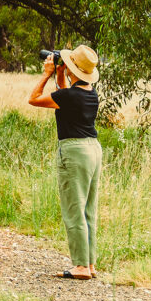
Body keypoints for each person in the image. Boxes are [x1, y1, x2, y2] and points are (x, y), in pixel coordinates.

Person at [28, 44, 102, 281]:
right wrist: (61, 73)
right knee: (89, 210)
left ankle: (79, 266)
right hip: (93, 150)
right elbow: (65, 95)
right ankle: (89, 263)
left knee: (74, 209)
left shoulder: (70, 96)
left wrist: (47, 73)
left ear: (73, 70)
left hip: (74, 151)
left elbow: (34, 99)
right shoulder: (90, 94)